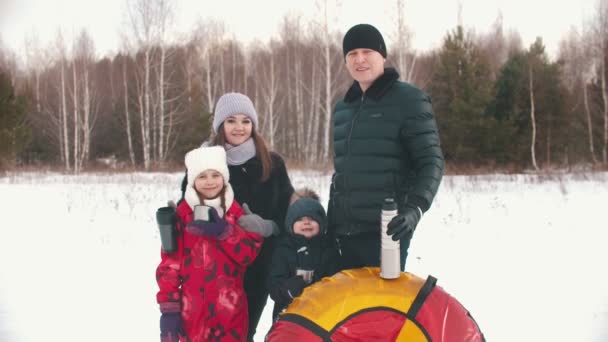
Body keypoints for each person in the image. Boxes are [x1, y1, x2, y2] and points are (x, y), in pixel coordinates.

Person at [328, 24, 444, 272]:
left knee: (380, 309)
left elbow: (431, 162)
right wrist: (330, 223)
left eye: (367, 51)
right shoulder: (342, 109)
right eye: (352, 54)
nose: (359, 59)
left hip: (385, 231)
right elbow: (341, 173)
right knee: (346, 309)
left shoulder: (409, 100)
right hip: (343, 234)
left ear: (382, 55)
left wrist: (414, 210)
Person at [179, 92, 294, 341]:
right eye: (231, 120)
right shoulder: (206, 163)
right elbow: (186, 208)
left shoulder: (272, 164)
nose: (239, 127)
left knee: (244, 332)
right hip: (215, 271)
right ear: (220, 125)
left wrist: (268, 226)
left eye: (245, 120)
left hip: (259, 267)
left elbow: (290, 216)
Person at [156, 145, 275, 342]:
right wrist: (169, 311)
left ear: (224, 177)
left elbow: (248, 255)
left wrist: (225, 232)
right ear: (193, 180)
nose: (210, 182)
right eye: (202, 176)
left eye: (215, 175)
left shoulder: (236, 213)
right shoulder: (182, 216)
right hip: (192, 316)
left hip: (230, 314)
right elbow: (169, 266)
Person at [267, 188, 340, 321]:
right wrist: (287, 289)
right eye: (300, 219)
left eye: (312, 218)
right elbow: (274, 285)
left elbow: (337, 282)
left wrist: (321, 286)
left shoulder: (328, 250)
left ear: (322, 224)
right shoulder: (283, 250)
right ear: (290, 224)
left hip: (322, 314)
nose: (306, 222)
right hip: (288, 315)